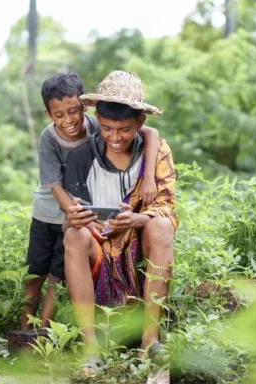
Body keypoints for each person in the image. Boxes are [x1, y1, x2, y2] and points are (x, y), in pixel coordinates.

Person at [20, 72, 162, 331]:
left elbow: (151, 133)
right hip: (49, 214)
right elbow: (55, 186)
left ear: (85, 108)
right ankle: (23, 331)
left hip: (80, 214)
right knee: (34, 275)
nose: (68, 120)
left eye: (73, 111)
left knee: (57, 276)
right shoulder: (49, 138)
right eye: (58, 115)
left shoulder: (102, 127)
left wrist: (150, 176)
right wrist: (76, 212)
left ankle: (42, 331)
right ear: (48, 115)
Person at [62, 70, 179, 377]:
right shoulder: (82, 156)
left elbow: (167, 208)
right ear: (97, 121)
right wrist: (76, 220)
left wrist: (137, 219)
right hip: (100, 248)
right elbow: (71, 219)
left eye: (124, 130)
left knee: (162, 226)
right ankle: (90, 350)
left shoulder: (157, 152)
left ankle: (149, 341)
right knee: (73, 237)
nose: (114, 137)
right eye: (106, 128)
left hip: (139, 249)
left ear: (140, 123)